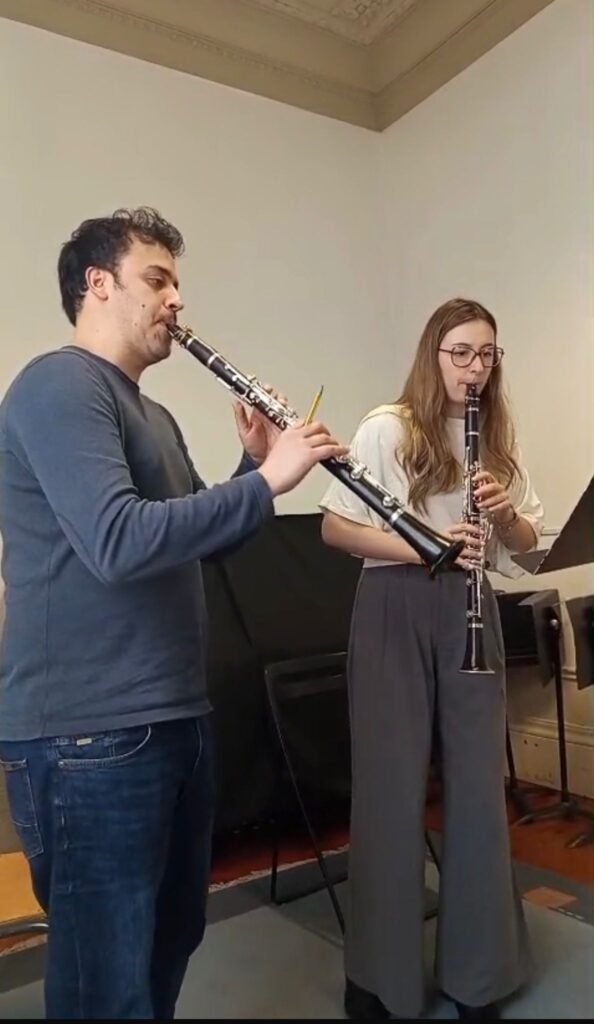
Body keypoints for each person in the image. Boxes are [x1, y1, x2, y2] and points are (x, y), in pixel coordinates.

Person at [0, 206, 346, 1020]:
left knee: (168, 938)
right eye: (157, 280)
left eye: (177, 283)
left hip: (170, 717)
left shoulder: (150, 412)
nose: (175, 300)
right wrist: (271, 481)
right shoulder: (57, 384)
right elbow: (118, 541)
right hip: (88, 732)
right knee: (103, 979)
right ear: (98, 283)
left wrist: (250, 464)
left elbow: (200, 538)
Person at [319, 297, 544, 1021]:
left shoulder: (497, 438)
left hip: (471, 612)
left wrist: (504, 512)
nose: (474, 368)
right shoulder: (391, 426)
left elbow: (530, 546)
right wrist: (429, 548)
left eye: (486, 354)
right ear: (433, 354)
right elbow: (335, 528)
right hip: (394, 606)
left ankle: (479, 974)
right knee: (390, 788)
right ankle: (377, 978)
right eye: (461, 353)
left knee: (479, 789)